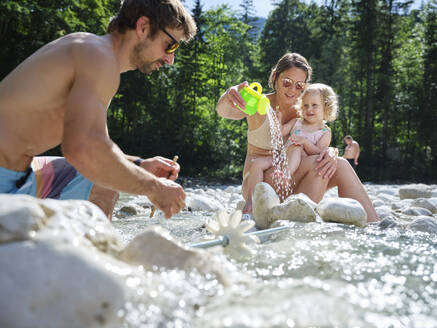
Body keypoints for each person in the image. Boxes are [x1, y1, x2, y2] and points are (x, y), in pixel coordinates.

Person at [0, 0, 197, 220]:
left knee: (103, 179)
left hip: (19, 173)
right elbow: (83, 150)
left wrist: (140, 165)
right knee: (101, 178)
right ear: (143, 27)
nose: (170, 59)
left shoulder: (93, 52)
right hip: (5, 179)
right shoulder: (98, 56)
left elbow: (96, 148)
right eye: (170, 45)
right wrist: (154, 188)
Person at [216, 53, 378, 222]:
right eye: (287, 82)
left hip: (293, 178)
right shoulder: (259, 104)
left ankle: (373, 227)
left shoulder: (305, 111)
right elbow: (224, 111)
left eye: (299, 85)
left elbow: (317, 142)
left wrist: (330, 152)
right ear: (274, 77)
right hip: (261, 182)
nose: (292, 90)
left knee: (338, 164)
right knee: (321, 164)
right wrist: (229, 96)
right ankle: (298, 218)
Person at [242, 82, 338, 213]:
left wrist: (305, 142)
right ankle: (251, 200)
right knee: (256, 164)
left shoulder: (324, 132)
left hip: (300, 162)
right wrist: (277, 120)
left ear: (326, 108)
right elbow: (281, 131)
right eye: (305, 105)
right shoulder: (297, 122)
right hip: (283, 156)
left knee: (297, 147)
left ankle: (286, 176)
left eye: (314, 105)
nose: (309, 109)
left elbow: (318, 153)